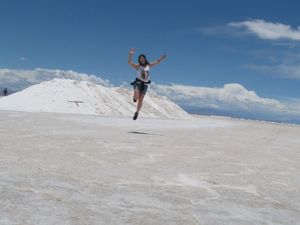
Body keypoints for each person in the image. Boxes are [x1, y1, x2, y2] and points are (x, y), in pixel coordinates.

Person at [128, 48, 166, 120]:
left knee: (141, 100)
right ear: (139, 60)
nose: (142, 60)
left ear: (145, 59)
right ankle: (135, 98)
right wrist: (130, 54)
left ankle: (137, 112)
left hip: (145, 84)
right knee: (136, 95)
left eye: (143, 58)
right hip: (138, 82)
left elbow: (156, 62)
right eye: (140, 59)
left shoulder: (148, 65)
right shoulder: (138, 66)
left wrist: (162, 58)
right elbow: (129, 62)